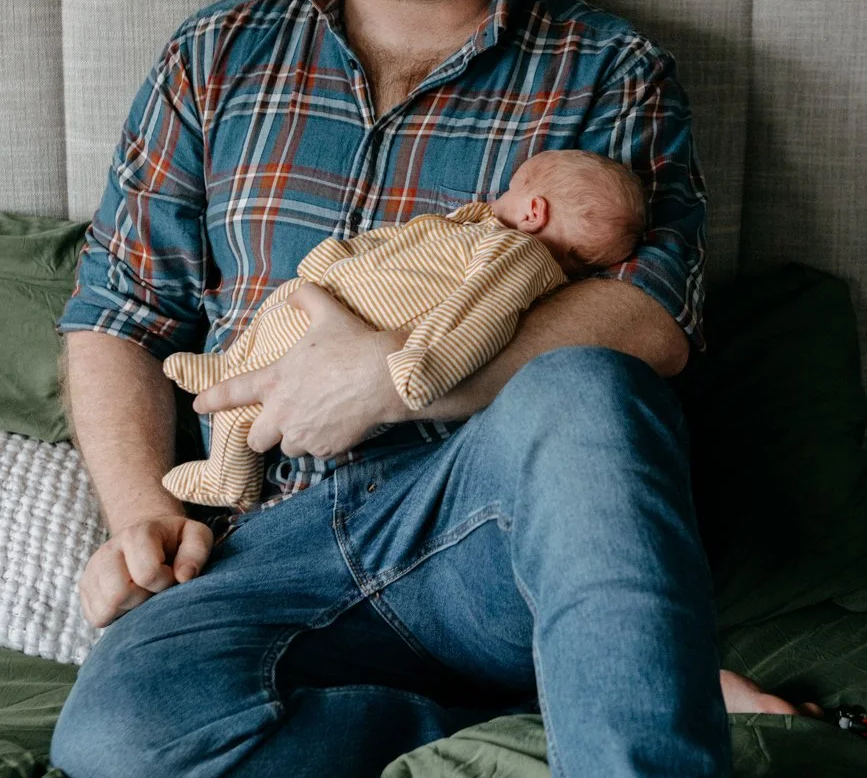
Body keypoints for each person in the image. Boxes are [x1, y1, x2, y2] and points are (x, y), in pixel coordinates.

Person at [52, 0, 759, 778]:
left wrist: (392, 383)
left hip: (483, 528)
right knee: (115, 732)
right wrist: (139, 516)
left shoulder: (608, 76)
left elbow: (650, 320)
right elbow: (119, 311)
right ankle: (479, 727)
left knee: (588, 392)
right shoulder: (215, 58)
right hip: (271, 554)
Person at [161, 150, 648, 510]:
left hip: (353, 336)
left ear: (533, 210)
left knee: (256, 397)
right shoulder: (477, 232)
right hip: (330, 299)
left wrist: (419, 368)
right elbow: (399, 244)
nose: (500, 195)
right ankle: (226, 365)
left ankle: (227, 477)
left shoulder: (518, 255)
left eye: (513, 185)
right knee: (277, 318)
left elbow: (476, 316)